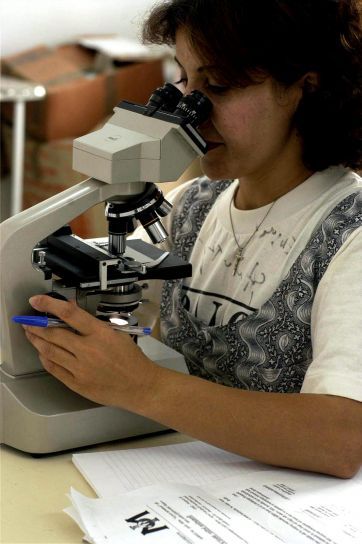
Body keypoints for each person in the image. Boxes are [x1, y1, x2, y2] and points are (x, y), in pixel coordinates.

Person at [23, 0, 362, 478]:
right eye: (184, 81)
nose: (190, 112)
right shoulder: (194, 206)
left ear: (304, 88)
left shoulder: (349, 232)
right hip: (177, 478)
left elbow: (342, 439)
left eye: (217, 86)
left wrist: (144, 387)